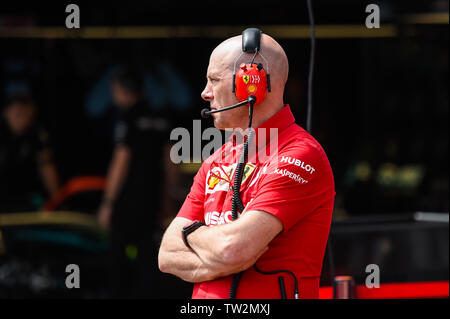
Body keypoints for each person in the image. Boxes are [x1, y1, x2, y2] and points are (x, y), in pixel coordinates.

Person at [158, 32, 335, 299]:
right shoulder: (217, 157)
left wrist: (191, 233)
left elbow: (232, 249)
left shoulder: (300, 155)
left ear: (251, 85)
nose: (205, 93)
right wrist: (219, 253)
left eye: (214, 80)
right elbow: (167, 255)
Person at [97, 66, 172, 298]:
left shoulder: (126, 117)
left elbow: (122, 160)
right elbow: (171, 162)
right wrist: (167, 199)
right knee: (148, 255)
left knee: (119, 256)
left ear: (121, 90)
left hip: (127, 200)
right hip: (152, 197)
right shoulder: (161, 118)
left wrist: (108, 202)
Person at [0, 93, 60, 213]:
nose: (23, 121)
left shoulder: (36, 132)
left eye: (28, 115)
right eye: (18, 114)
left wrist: (57, 201)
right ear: (6, 112)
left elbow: (46, 168)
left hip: (27, 195)